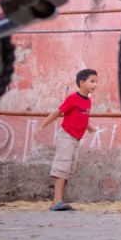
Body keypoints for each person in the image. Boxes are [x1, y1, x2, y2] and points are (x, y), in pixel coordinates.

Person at [35, 69, 98, 211]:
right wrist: (42, 126)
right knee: (62, 167)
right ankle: (57, 201)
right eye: (92, 81)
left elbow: (82, 116)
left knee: (68, 170)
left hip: (76, 139)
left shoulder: (88, 101)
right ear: (82, 83)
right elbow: (57, 113)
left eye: (96, 82)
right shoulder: (72, 98)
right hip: (67, 137)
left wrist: (89, 128)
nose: (95, 84)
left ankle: (57, 201)